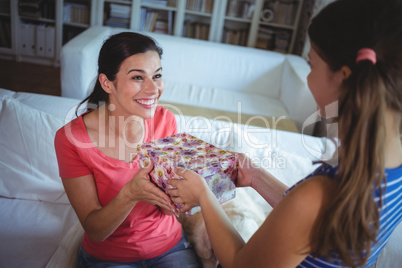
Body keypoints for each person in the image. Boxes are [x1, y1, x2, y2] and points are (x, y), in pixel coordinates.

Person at [167, 0, 402, 267]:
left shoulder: (319, 194)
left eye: (311, 65)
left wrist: (203, 196)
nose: (308, 78)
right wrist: (256, 177)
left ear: (343, 76)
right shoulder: (393, 165)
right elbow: (311, 223)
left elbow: (241, 263)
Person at [54, 32, 199, 267]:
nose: (154, 89)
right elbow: (95, 231)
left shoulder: (165, 121)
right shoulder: (71, 140)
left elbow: (171, 207)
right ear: (106, 83)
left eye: (157, 75)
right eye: (138, 78)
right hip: (109, 258)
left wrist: (182, 195)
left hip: (169, 247)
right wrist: (131, 194)